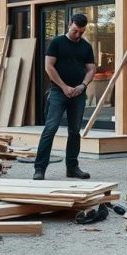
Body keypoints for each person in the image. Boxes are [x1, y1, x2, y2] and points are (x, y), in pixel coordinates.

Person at [32, 13, 96, 180]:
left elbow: (91, 69)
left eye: (81, 32)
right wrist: (64, 87)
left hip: (78, 93)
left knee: (75, 131)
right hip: (58, 92)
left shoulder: (86, 47)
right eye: (75, 31)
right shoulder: (57, 43)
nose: (78, 35)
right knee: (50, 129)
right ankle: (40, 168)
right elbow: (49, 67)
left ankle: (72, 168)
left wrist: (83, 85)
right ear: (69, 24)